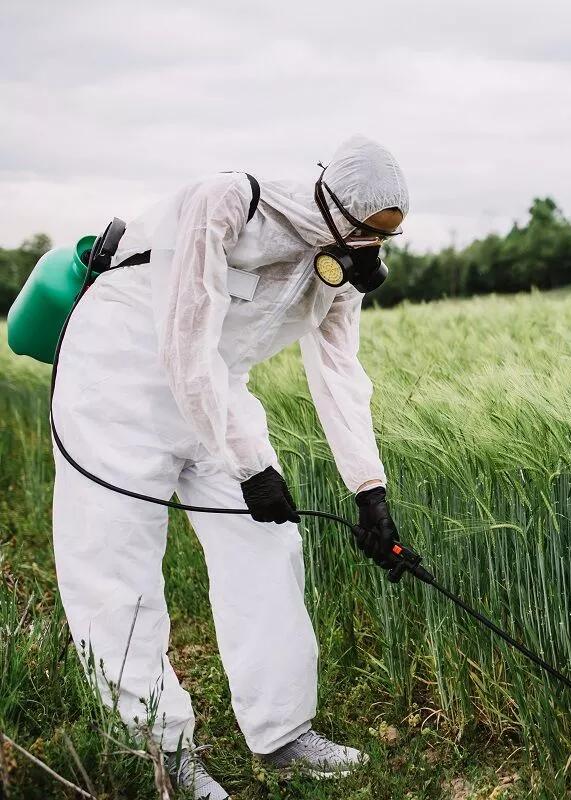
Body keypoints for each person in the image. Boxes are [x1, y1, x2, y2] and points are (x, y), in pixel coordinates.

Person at [52, 135, 409, 800]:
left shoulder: (341, 265)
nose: (371, 250)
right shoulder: (227, 203)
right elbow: (184, 341)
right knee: (116, 567)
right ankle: (160, 755)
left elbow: (339, 374)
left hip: (221, 392)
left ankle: (284, 736)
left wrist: (369, 491)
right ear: (331, 201)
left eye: (385, 238)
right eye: (365, 232)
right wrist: (249, 466)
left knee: (270, 545)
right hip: (117, 386)